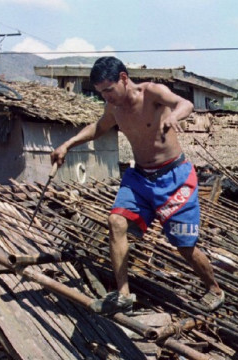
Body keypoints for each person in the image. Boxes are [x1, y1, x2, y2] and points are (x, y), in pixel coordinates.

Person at [51, 56, 224, 314]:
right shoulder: (114, 108)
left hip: (174, 177)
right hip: (140, 178)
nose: (106, 97)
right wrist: (67, 144)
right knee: (116, 222)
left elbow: (184, 103)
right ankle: (123, 294)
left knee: (184, 246)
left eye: (109, 90)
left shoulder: (151, 92)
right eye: (101, 93)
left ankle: (214, 289)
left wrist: (173, 116)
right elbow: (98, 127)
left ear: (123, 78)